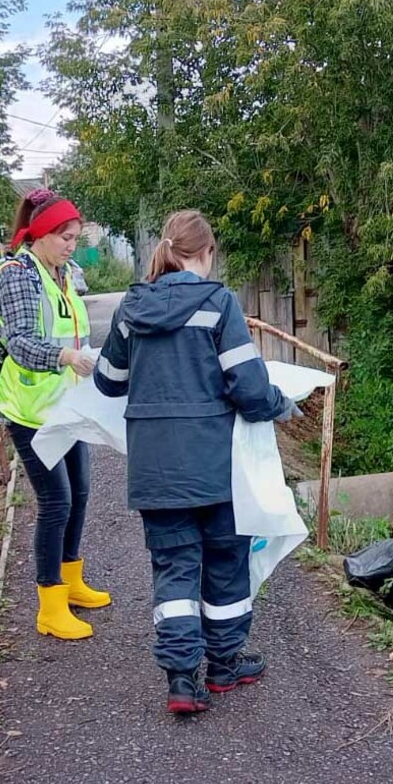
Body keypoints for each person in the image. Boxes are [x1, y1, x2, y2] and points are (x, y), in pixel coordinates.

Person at [93, 210, 298, 715]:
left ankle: (182, 680)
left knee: (174, 569)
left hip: (156, 469)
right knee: (226, 563)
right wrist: (283, 403)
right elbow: (250, 390)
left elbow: (107, 381)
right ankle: (225, 666)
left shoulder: (130, 309)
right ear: (206, 253)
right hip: (216, 465)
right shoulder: (218, 303)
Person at [0, 188, 111, 641]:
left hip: (66, 405)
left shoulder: (62, 274)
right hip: (30, 411)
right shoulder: (18, 275)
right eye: (63, 236)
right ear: (40, 234)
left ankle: (72, 581)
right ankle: (49, 604)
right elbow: (19, 341)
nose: (70, 244)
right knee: (56, 502)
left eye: (75, 238)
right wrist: (64, 356)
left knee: (80, 493)